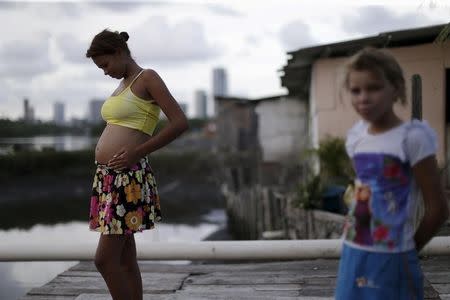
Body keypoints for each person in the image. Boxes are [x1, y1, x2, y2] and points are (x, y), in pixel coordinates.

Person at [335, 47, 449, 300]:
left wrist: (409, 248)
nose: (363, 98)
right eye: (355, 90)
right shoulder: (357, 137)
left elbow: (438, 208)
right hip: (354, 250)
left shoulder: (413, 138)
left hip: (394, 256)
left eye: (374, 87)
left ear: (396, 87)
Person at [86, 29, 188, 300]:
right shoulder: (122, 84)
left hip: (128, 177)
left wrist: (137, 152)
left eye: (105, 65)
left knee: (104, 261)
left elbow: (180, 122)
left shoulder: (148, 78)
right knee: (124, 260)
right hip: (108, 178)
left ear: (119, 52)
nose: (105, 72)